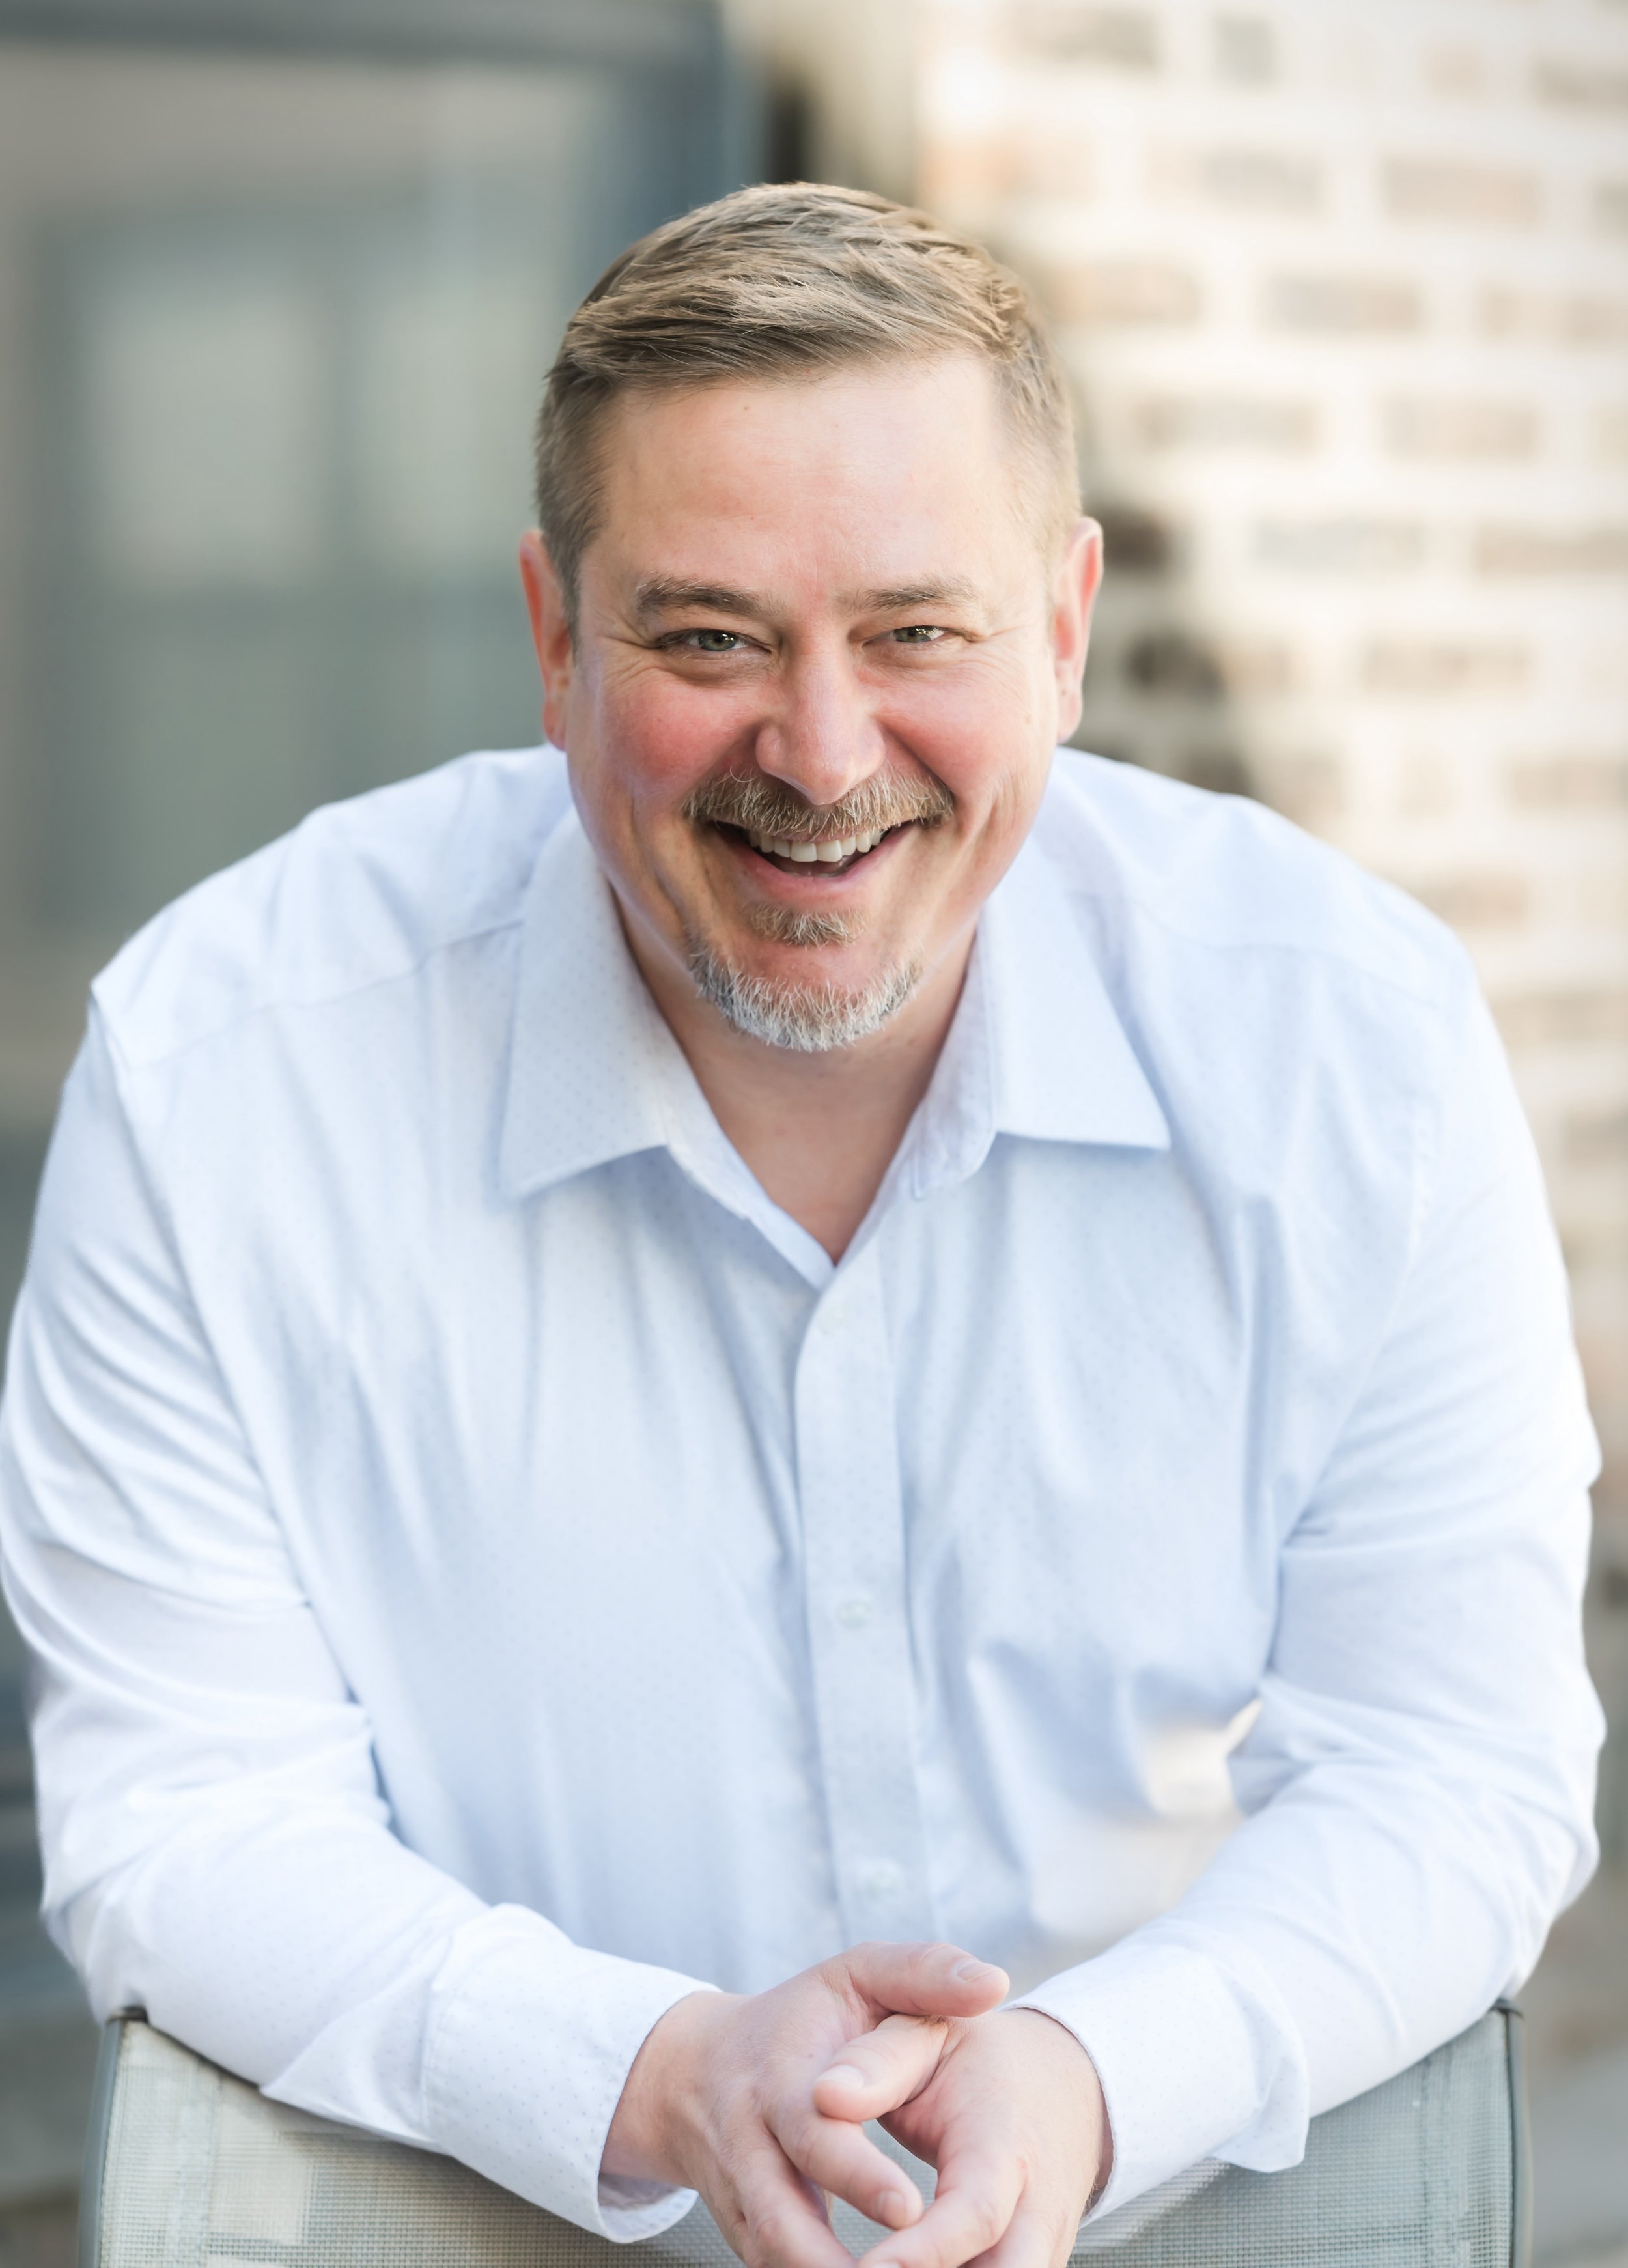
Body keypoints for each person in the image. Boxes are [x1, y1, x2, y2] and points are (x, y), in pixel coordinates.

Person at [0, 184, 1602, 2268]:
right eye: (707, 637)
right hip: (494, 2212)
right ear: (553, 637)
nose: (821, 753)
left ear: (1061, 627)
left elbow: (1448, 1765)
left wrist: (1097, 2078)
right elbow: (186, 1808)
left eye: (915, 631)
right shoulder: (223, 1070)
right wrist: (647, 2070)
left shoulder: (1350, 1046)